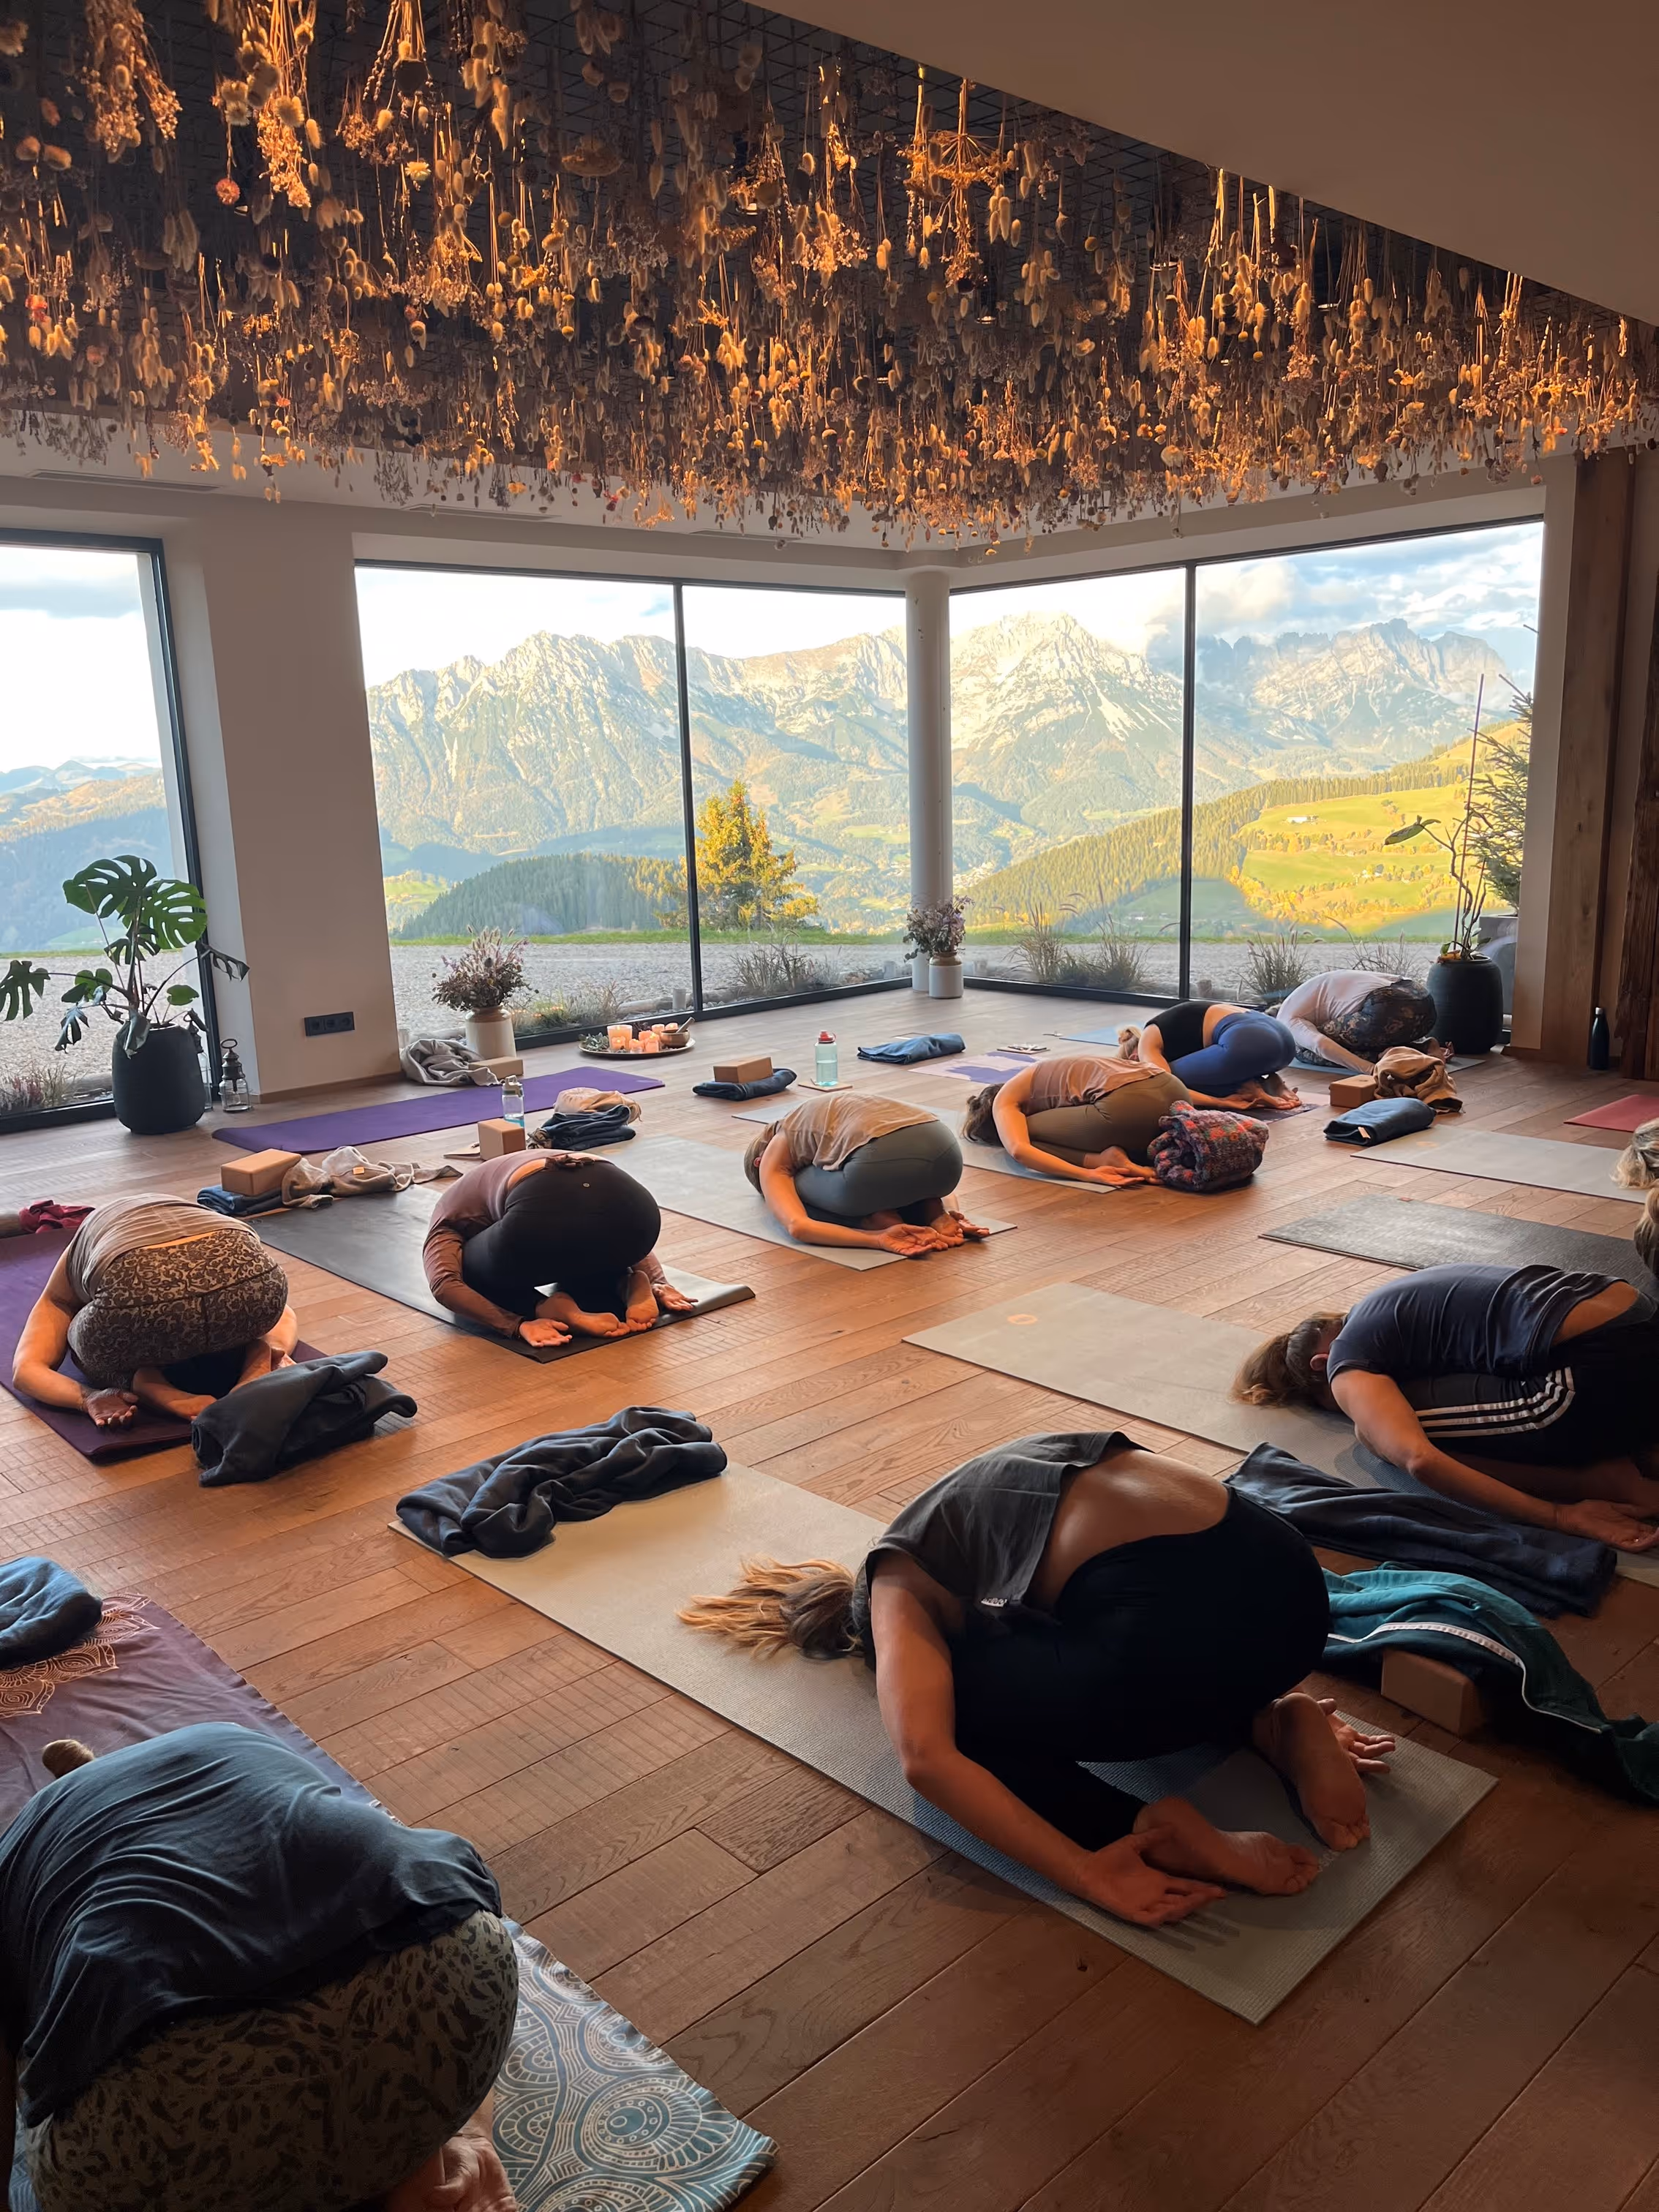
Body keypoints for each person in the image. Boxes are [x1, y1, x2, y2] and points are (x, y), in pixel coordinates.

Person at [681, 1432, 1393, 1927]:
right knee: (1110, 1629)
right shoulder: (996, 1488)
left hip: (1176, 1644)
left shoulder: (893, 1582)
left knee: (959, 1717)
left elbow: (927, 1760)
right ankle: (1273, 1716)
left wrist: (1088, 1871)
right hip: (1299, 1600)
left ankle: (1156, 1826)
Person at [0, 1723, 519, 2212]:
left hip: (165, 2121)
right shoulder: (227, 1738)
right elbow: (454, 1893)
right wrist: (461, 2123)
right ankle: (418, 2150)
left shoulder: (21, 1845)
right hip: (451, 1983)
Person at [1235, 1263, 1659, 1551]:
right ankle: (1634, 1443)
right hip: (1642, 1326)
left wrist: (1559, 1517)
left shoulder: (1346, 1357)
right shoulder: (1390, 1301)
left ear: (1321, 1366)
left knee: (1377, 1435)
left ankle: (1612, 1479)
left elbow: (1419, 1459)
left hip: (1595, 1372)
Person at [12, 1193, 298, 1430]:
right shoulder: (183, 1207)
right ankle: (264, 1354)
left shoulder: (78, 1252)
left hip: (141, 1283)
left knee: (76, 1333)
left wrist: (89, 1398)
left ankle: (144, 1381)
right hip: (250, 1266)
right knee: (272, 1310)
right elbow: (276, 1308)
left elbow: (26, 1371)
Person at [423, 1152, 691, 1346]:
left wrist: (517, 1325)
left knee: (471, 1269)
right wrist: (659, 1282)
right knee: (588, 1241)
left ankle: (547, 1308)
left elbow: (445, 1284)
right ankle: (629, 1282)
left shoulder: (448, 1216)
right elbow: (612, 1223)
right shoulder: (515, 1170)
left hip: (547, 1218)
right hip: (632, 1205)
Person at [744, 1091, 988, 1257]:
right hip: (948, 1161)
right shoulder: (825, 1112)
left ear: (759, 1161)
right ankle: (934, 1214)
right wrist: (947, 1210)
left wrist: (876, 1238)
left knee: (794, 1188)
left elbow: (798, 1226)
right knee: (851, 1159)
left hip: (879, 1168)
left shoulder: (779, 1144)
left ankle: (876, 1216)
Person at [961, 1053, 1187, 1186]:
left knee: (1025, 1136)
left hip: (1130, 1108)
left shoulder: (1005, 1099)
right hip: (1177, 1095)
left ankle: (1104, 1159)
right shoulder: (1046, 1072)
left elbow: (1020, 1150)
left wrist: (1088, 1174)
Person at [1124, 1000, 1302, 1111]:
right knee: (1201, 1072)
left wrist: (1221, 1102)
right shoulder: (1169, 1027)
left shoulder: (1148, 1040)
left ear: (1134, 1058)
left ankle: (1251, 1089)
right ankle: (1268, 1082)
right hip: (1285, 1044)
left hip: (1249, 1044)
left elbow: (1167, 1088)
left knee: (1164, 1084)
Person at [1275, 971, 1440, 1072]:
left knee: (1303, 1051)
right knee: (1337, 1035)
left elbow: (1320, 1044)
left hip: (1386, 1008)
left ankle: (1385, 1059)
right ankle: (1420, 1047)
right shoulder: (1298, 997)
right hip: (1423, 1002)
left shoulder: (1286, 1022)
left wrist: (1370, 1071)